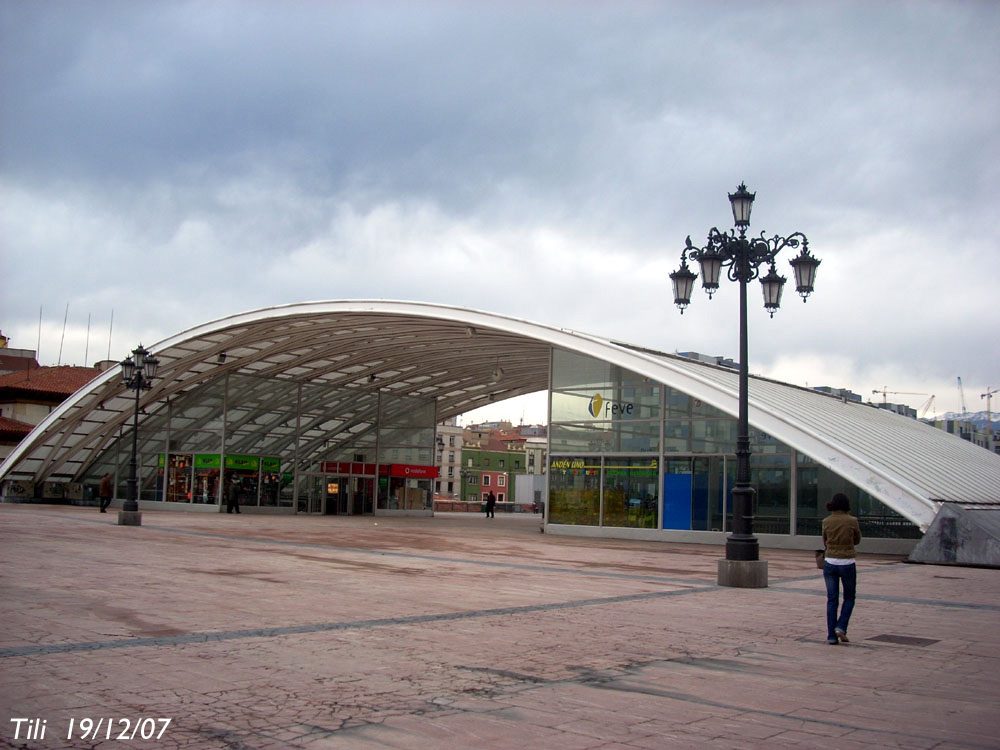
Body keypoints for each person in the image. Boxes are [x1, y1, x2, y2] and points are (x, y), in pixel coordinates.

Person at [821, 492, 862, 644]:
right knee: (849, 597)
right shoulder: (852, 521)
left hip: (830, 562)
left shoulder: (826, 521)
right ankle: (841, 626)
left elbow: (824, 540)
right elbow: (857, 539)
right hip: (847, 562)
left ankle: (831, 636)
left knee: (832, 600)